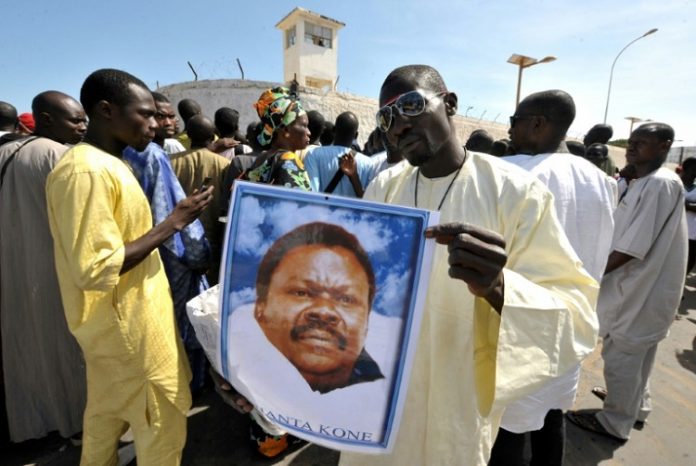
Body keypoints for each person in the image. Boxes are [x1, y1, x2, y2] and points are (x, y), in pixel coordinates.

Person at [338, 64, 598, 466]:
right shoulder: (384, 187)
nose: (398, 127)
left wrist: (499, 287)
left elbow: (576, 313)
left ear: (450, 103)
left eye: (410, 106)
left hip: (456, 403)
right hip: (382, 395)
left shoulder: (515, 192)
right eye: (386, 118)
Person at [46, 68, 213, 465]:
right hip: (131, 339)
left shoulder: (107, 164)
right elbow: (96, 267)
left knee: (103, 427)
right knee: (162, 431)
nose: (156, 125)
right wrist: (173, 223)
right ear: (106, 111)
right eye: (145, 114)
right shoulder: (86, 171)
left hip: (118, 334)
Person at [490, 90, 616, 466]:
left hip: (517, 326)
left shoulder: (514, 173)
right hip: (572, 326)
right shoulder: (602, 181)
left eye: (514, 121)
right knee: (551, 414)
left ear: (538, 124)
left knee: (507, 427)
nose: (510, 130)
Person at [567, 123, 688, 442]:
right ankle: (638, 406)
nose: (632, 147)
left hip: (638, 290)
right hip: (639, 288)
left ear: (663, 146)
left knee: (622, 354)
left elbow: (630, 248)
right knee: (638, 355)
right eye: (631, 141)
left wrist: (590, 274)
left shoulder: (659, 184)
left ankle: (616, 421)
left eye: (642, 142)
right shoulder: (644, 181)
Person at [0, 91, 87, 444]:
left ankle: (34, 423)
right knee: (65, 348)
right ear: (46, 119)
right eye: (75, 120)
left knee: (26, 348)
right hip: (55, 269)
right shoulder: (58, 155)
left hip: (13, 267)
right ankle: (79, 425)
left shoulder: (10, 153)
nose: (82, 127)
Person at [123, 108, 212, 392]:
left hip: (136, 263)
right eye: (158, 116)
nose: (164, 123)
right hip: (172, 261)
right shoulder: (151, 155)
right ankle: (189, 386)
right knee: (186, 329)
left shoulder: (111, 156)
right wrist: (200, 256)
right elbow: (175, 221)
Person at [253, 222, 383, 393]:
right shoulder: (239, 361)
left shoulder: (391, 398)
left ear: (366, 323)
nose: (324, 311)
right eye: (301, 293)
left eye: (346, 299)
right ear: (260, 308)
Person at [169, 114, 230, 285]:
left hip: (176, 237)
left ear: (187, 135)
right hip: (212, 237)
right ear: (212, 138)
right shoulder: (223, 164)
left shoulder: (171, 162)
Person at [244, 86, 311, 191]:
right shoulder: (288, 159)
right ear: (285, 130)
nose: (309, 132)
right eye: (304, 125)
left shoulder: (262, 157)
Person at [304, 111, 383, 197]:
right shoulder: (369, 163)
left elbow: (312, 193)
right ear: (356, 135)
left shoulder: (313, 154)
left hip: (321, 210)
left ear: (334, 130)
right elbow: (368, 199)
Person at [680, 157, 696, 274]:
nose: (695, 173)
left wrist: (686, 204)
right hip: (676, 233)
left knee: (688, 265)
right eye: (693, 170)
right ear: (685, 169)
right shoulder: (676, 185)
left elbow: (680, 203)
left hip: (692, 235)